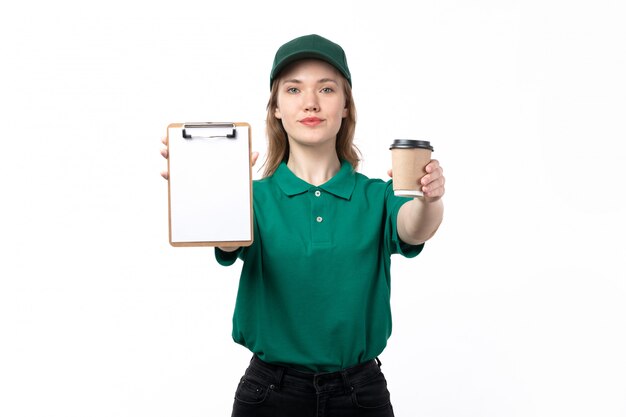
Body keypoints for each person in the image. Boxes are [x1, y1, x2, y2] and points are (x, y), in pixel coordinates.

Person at [161, 34, 445, 417]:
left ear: (346, 107)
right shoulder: (253, 198)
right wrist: (212, 189)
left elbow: (415, 227)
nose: (310, 102)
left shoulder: (377, 196)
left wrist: (428, 198)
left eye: (326, 89)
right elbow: (227, 243)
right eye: (294, 89)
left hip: (360, 394)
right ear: (276, 108)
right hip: (269, 394)